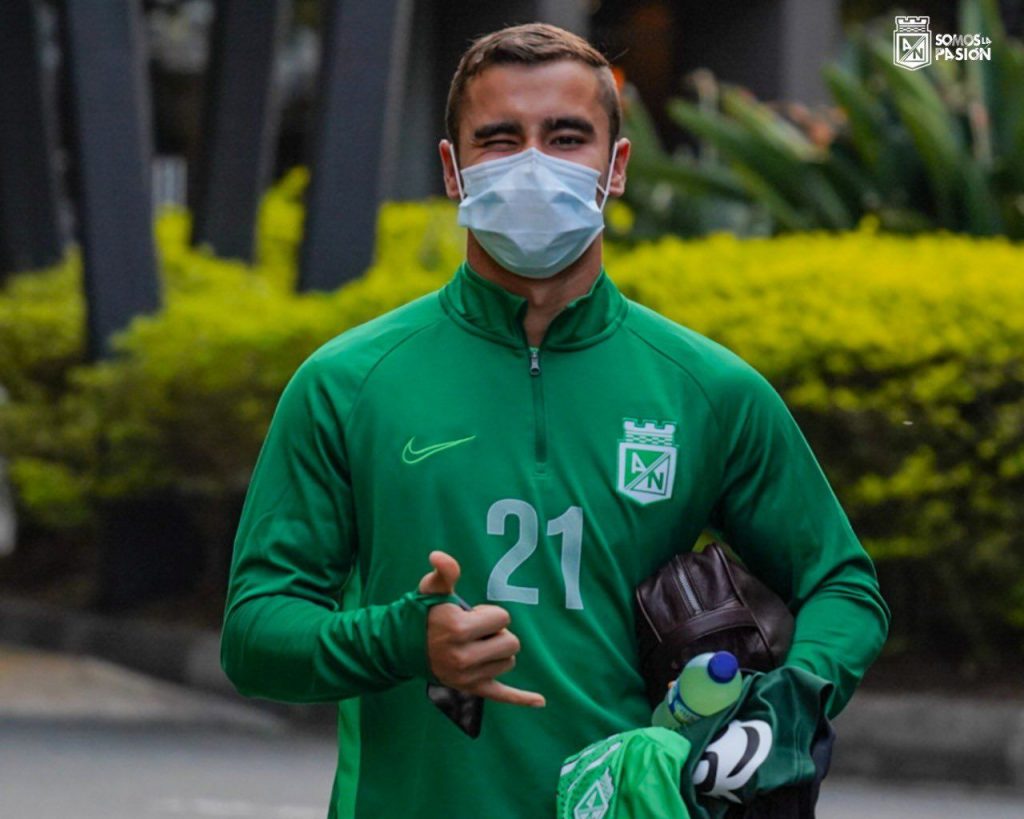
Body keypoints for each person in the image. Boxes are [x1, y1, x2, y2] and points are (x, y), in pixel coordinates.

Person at [220, 22, 889, 819]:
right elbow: (256, 633)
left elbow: (842, 584)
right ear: (451, 170)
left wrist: (786, 703)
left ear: (617, 167)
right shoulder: (347, 384)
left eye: (566, 136)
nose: (533, 164)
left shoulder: (708, 390)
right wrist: (403, 638)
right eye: (499, 139)